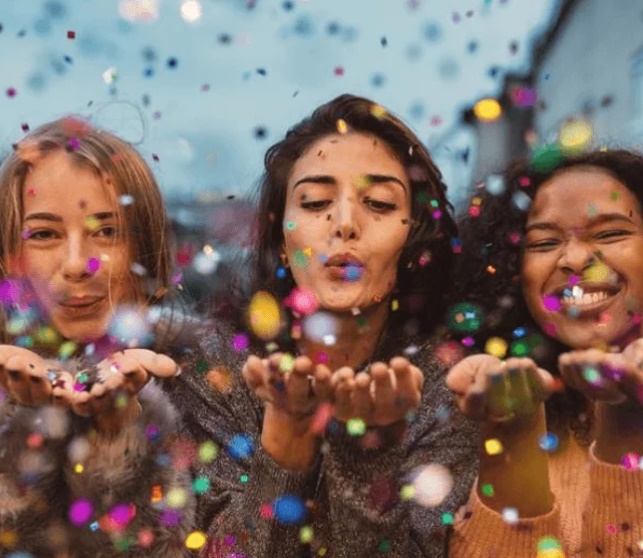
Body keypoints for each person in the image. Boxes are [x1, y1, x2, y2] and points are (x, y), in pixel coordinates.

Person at [165, 94, 479, 558]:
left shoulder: (450, 384)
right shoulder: (217, 371)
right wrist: (285, 448)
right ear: (280, 237)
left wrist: (369, 456)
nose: (345, 224)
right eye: (314, 202)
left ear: (415, 235)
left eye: (378, 202)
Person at [0, 116, 195, 557]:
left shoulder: (208, 386)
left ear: (144, 248)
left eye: (107, 231)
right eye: (45, 234)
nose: (77, 264)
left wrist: (125, 439)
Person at [446, 149, 643, 557]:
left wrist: (626, 433)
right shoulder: (475, 411)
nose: (574, 259)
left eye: (610, 234)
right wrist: (514, 437)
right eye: (545, 242)